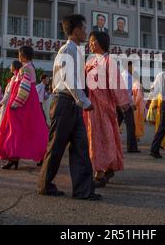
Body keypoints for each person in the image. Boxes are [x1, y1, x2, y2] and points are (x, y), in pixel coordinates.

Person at [38, 14, 101, 201]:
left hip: (70, 103)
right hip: (66, 102)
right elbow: (70, 80)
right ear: (75, 30)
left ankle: (83, 190)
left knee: (81, 147)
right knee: (56, 146)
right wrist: (85, 102)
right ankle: (44, 184)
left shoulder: (73, 50)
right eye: (83, 28)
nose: (85, 32)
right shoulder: (68, 50)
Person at [83, 31, 130, 187]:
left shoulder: (109, 61)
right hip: (89, 105)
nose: (91, 44)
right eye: (90, 41)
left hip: (103, 106)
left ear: (102, 42)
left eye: (94, 41)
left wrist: (123, 102)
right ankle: (106, 167)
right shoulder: (89, 61)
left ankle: (100, 172)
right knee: (94, 137)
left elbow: (116, 83)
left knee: (102, 137)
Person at [0, 46, 48, 170]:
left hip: (23, 105)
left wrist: (16, 103)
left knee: (14, 130)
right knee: (31, 129)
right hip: (29, 104)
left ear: (22, 56)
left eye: (19, 54)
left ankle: (14, 158)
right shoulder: (29, 67)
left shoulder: (25, 69)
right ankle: (36, 156)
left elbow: (24, 88)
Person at [118, 61, 140, 153]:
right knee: (131, 126)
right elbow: (127, 93)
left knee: (115, 125)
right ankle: (131, 148)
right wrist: (132, 104)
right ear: (129, 66)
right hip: (125, 104)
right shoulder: (129, 77)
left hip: (118, 103)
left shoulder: (121, 75)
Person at [0, 61, 22, 133]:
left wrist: (1, 102)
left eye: (11, 66)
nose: (10, 67)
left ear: (14, 67)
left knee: (5, 123)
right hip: (13, 102)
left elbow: (8, 92)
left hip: (8, 102)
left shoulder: (14, 78)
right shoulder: (19, 76)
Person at [132, 71, 145, 140]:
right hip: (140, 105)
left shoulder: (136, 84)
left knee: (136, 121)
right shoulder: (139, 84)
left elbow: (139, 96)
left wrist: (135, 104)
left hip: (137, 106)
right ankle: (137, 136)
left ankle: (136, 136)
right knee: (138, 121)